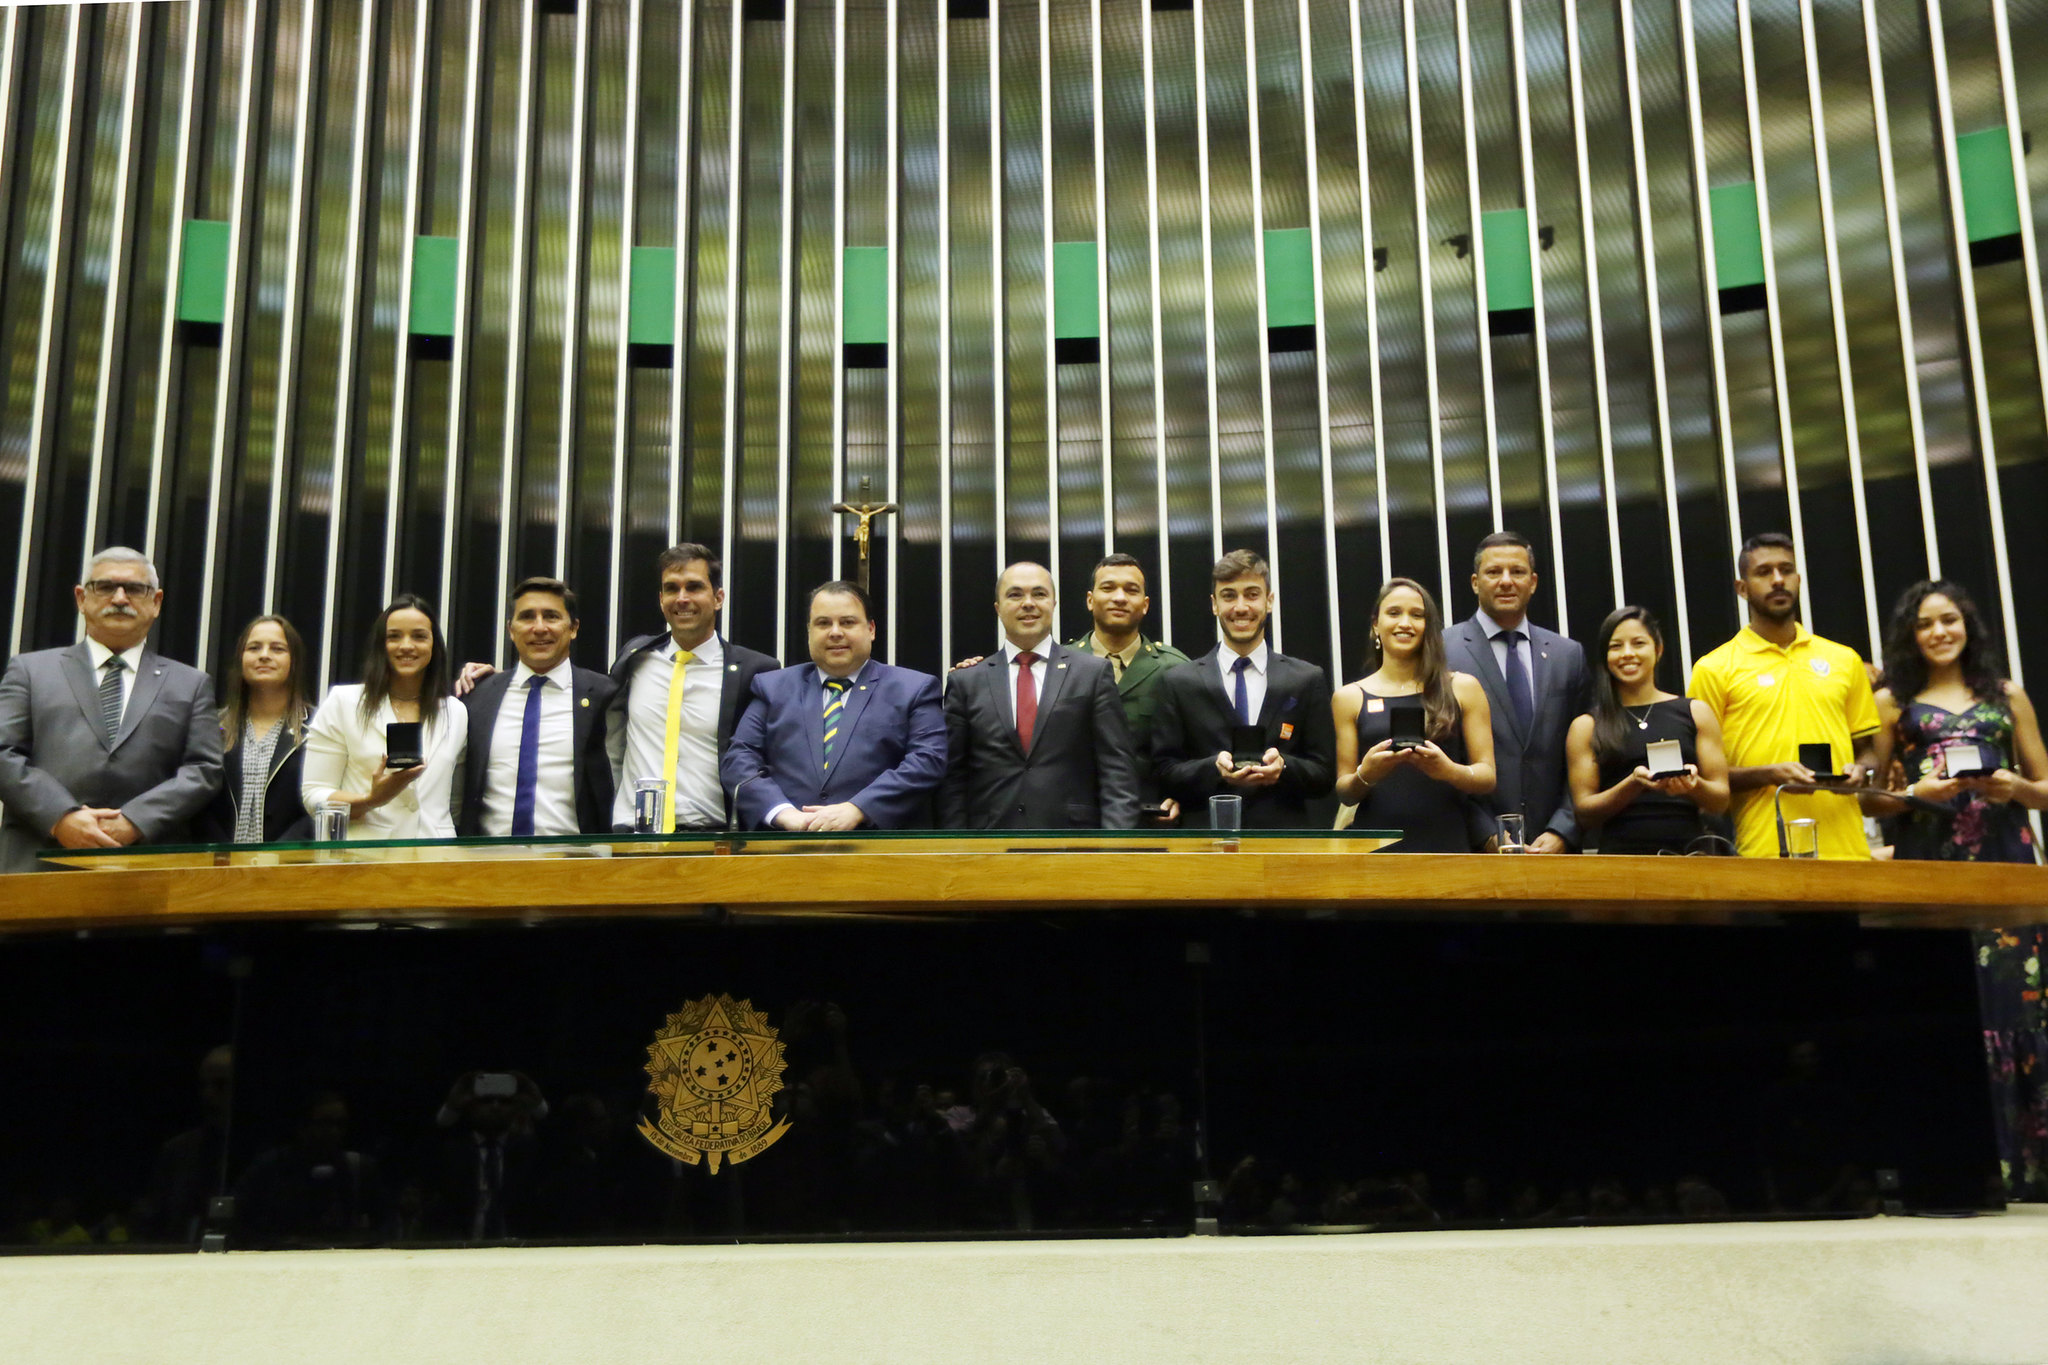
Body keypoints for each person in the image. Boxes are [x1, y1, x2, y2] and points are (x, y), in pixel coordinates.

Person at [0, 546, 222, 871]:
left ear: (156, 602)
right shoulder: (29, 671)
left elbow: (204, 768)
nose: (119, 598)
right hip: (39, 861)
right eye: (105, 587)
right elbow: (4, 753)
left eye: (134, 589)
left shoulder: (191, 684)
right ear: (81, 598)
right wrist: (61, 817)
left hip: (149, 868)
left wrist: (136, 820)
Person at [1687, 532, 1879, 859]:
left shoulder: (1844, 660)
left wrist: (1860, 772)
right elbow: (1703, 776)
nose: (1778, 580)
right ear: (1742, 588)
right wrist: (1769, 774)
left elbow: (1868, 752)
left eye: (1786, 570)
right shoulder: (1713, 668)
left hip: (1848, 851)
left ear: (1798, 580)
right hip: (1764, 851)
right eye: (1764, 572)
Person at [723, 581, 946, 830]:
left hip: (879, 844)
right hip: (786, 842)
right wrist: (782, 813)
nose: (835, 632)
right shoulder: (771, 688)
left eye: (848, 622)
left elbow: (927, 761)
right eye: (823, 623)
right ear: (809, 631)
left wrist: (859, 808)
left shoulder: (914, 689)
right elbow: (739, 760)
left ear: (871, 629)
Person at [941, 563, 1140, 830]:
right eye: (1015, 595)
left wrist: (1115, 845)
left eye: (1039, 594)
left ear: (1053, 604)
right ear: (998, 608)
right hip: (990, 841)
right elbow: (952, 779)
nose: (1028, 603)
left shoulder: (1092, 674)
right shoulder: (967, 681)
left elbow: (1117, 770)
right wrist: (956, 847)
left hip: (1075, 841)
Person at [1151, 549, 1337, 828]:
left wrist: (1284, 767)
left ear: (1269, 601)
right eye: (1229, 596)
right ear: (1214, 604)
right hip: (1204, 841)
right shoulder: (1178, 682)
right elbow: (1163, 772)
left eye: (1252, 595)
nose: (1240, 607)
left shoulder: (1306, 679)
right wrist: (1213, 767)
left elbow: (1324, 776)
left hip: (1283, 842)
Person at [1871, 580, 2046, 862]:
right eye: (1924, 625)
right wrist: (1915, 794)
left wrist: (2016, 787)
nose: (1939, 632)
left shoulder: (2008, 695)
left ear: (1968, 626)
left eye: (1949, 620)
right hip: (1924, 856)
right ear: (1910, 636)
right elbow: (1867, 801)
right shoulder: (1889, 702)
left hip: (2006, 852)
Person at [608, 544, 778, 832]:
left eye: (694, 587)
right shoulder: (635, 658)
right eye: (671, 589)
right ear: (661, 599)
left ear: (718, 598)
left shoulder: (755, 672)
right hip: (633, 836)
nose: (682, 598)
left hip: (713, 837)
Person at [1443, 531, 1590, 853]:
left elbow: (1587, 753)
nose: (1506, 581)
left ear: (1533, 582)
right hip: (1471, 845)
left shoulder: (1568, 656)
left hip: (1555, 847)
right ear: (1475, 583)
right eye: (1494, 572)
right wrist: (1486, 834)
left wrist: (1563, 830)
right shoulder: (1442, 652)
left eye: (1518, 571)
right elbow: (1440, 758)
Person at [1331, 579, 1496, 851]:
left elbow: (1487, 776)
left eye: (1417, 615)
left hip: (1447, 843)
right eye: (1394, 613)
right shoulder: (1349, 697)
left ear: (1427, 626)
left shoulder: (1463, 687)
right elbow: (1345, 792)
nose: (1405, 623)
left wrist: (1448, 770)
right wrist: (1367, 774)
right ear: (1376, 624)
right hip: (1375, 848)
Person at [457, 578, 618, 837]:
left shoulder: (604, 695)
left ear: (573, 628)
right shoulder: (477, 696)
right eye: (527, 617)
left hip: (576, 856)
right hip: (489, 856)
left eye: (551, 616)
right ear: (511, 630)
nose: (540, 628)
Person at [1565, 606, 1730, 854]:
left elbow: (1721, 800)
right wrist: (1633, 784)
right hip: (1620, 860)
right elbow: (1584, 813)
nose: (1627, 654)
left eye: (1638, 643)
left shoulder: (1696, 712)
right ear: (1605, 656)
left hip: (1689, 856)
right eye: (1616, 646)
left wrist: (1693, 785)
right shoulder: (1587, 725)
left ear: (1658, 649)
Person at [301, 595, 467, 838]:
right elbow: (314, 794)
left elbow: (456, 801)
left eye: (419, 636)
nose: (406, 645)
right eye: (394, 636)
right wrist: (372, 799)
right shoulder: (344, 703)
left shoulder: (455, 711)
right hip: (365, 854)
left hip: (435, 854)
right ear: (381, 645)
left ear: (434, 645)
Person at [1064, 554, 1192, 820]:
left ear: (1145, 605)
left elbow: (1194, 750)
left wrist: (1182, 797)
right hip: (1073, 817)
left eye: (1131, 590)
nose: (1120, 597)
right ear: (1090, 600)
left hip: (1150, 816)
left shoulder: (1175, 668)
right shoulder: (1060, 665)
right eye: (1108, 588)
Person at [197, 615, 314, 844]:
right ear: (240, 659)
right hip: (217, 860)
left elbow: (321, 804)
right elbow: (196, 802)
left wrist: (277, 856)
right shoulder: (210, 726)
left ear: (294, 661)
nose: (264, 655)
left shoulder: (318, 729)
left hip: (292, 860)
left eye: (277, 648)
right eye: (254, 648)